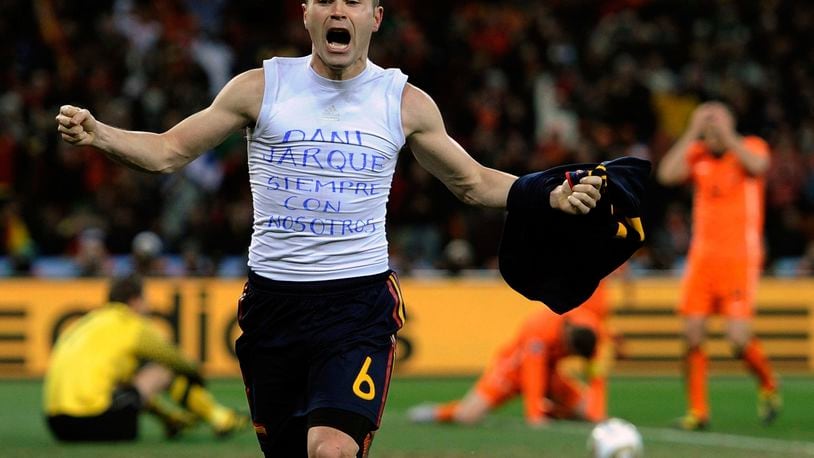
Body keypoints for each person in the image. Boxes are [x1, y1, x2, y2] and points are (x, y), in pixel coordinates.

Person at [55, 0, 603, 455]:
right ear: (307, 15)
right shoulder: (259, 88)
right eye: (325, 0)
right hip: (273, 305)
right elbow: (169, 151)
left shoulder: (403, 101)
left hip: (356, 304)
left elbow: (472, 182)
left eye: (354, 2)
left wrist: (546, 194)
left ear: (375, 18)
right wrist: (99, 133)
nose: (338, 9)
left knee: (332, 449)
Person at [657, 101, 780, 430]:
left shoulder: (749, 147)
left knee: (738, 340)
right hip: (702, 260)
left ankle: (768, 383)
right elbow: (667, 174)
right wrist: (692, 131)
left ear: (730, 125)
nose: (712, 133)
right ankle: (698, 412)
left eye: (717, 126)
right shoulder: (697, 155)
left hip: (739, 258)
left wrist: (728, 135)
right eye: (707, 128)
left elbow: (760, 164)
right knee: (692, 336)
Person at [43, 274, 249, 441]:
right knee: (162, 370)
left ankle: (170, 421)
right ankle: (220, 418)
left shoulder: (84, 323)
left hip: (57, 425)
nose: (148, 306)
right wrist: (197, 377)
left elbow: (129, 388)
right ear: (135, 300)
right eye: (145, 300)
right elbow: (177, 360)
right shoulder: (132, 325)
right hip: (96, 422)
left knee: (127, 382)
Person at [406, 303, 606, 427]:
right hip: (514, 370)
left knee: (588, 412)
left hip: (550, 374)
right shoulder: (541, 327)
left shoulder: (593, 330)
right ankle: (438, 413)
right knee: (467, 417)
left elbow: (596, 375)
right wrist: (535, 415)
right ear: (567, 337)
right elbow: (532, 373)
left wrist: (597, 413)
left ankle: (554, 412)